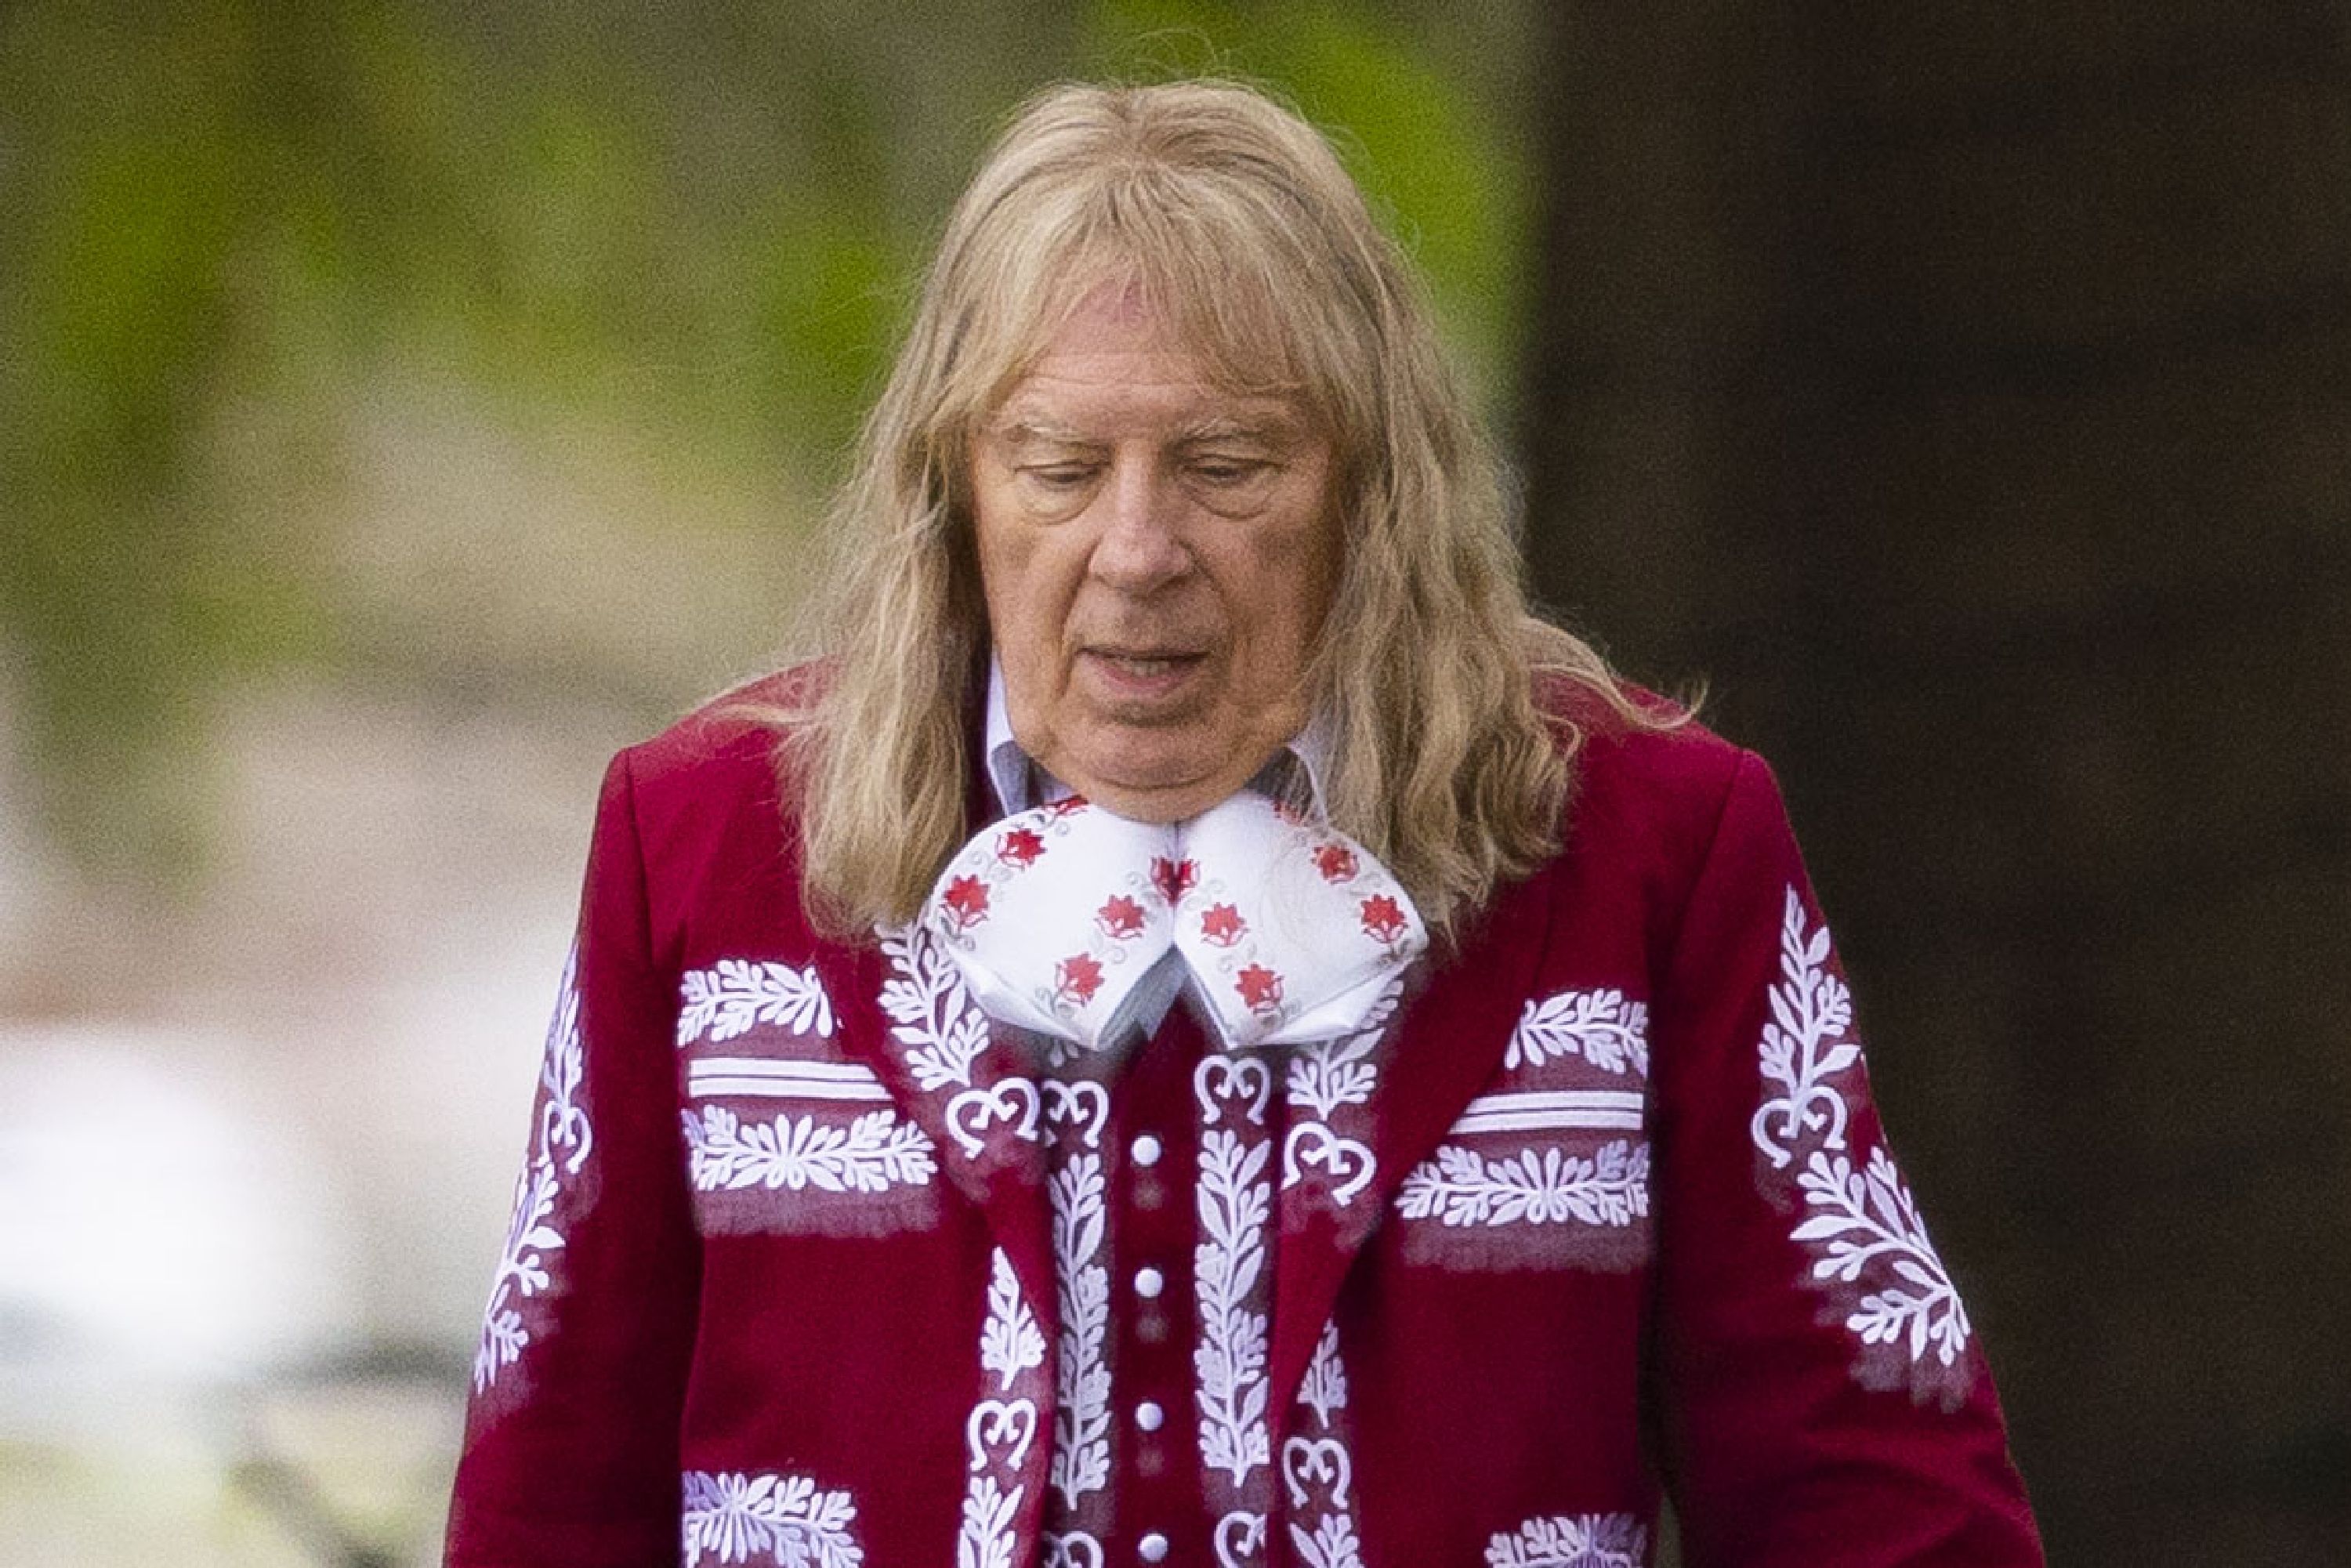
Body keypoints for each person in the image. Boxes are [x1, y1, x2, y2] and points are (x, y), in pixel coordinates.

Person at [445, 79, 2042, 1568]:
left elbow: (1878, 1494)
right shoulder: (701, 843)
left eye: (1227, 465)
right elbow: (546, 1498)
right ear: (957, 490)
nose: (1138, 549)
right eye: (1061, 465)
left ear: (1374, 492)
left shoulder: (1653, 848)